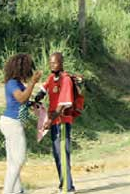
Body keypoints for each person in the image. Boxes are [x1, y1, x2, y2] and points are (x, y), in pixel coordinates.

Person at [0, 54, 41, 194]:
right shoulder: (12, 83)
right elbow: (22, 98)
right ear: (21, 69)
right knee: (18, 161)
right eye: (28, 69)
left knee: (13, 162)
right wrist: (33, 83)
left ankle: (17, 191)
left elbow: (22, 101)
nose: (29, 73)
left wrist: (33, 104)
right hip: (13, 123)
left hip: (11, 122)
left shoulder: (17, 83)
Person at [41, 52, 76, 193]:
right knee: (57, 154)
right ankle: (64, 184)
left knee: (62, 153)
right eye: (50, 62)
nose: (52, 65)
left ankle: (68, 187)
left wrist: (50, 120)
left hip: (61, 121)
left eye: (55, 62)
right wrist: (37, 98)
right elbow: (43, 89)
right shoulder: (51, 78)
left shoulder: (65, 79)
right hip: (54, 121)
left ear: (61, 63)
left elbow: (62, 106)